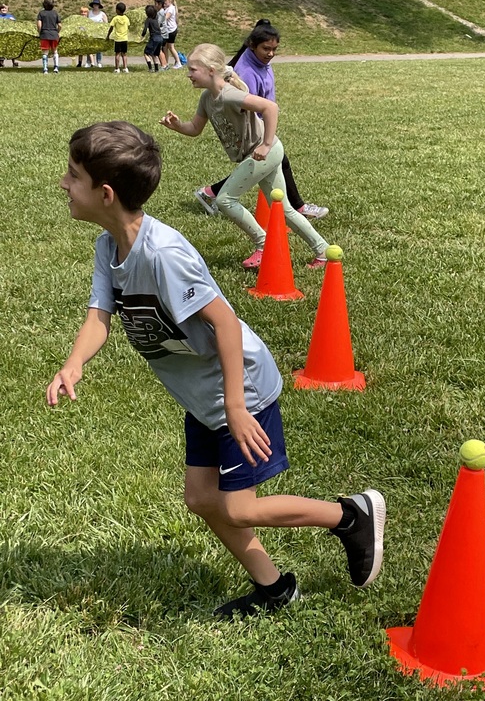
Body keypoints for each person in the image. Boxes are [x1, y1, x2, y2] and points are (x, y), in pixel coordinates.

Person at [46, 120, 386, 620]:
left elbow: (226, 326)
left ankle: (349, 515)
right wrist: (73, 363)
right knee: (203, 499)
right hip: (204, 397)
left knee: (239, 507)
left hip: (239, 388)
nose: (63, 184)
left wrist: (234, 406)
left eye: (72, 176)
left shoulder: (164, 255)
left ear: (106, 193)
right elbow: (101, 314)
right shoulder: (108, 248)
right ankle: (274, 590)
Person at [160, 44, 332, 270]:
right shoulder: (207, 98)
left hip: (264, 153)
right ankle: (323, 251)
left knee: (224, 200)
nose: (188, 74)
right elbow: (194, 128)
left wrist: (267, 144)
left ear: (211, 70)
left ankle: (263, 246)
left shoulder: (230, 95)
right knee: (284, 210)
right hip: (260, 155)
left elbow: (270, 107)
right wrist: (177, 126)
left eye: (193, 69)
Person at [195, 20, 329, 221]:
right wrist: (266, 139)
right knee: (274, 162)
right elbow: (250, 109)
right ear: (252, 45)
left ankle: (210, 192)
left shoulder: (262, 62)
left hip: (263, 126)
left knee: (262, 169)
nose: (271, 54)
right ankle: (298, 208)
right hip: (255, 132)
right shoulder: (247, 72)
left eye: (274, 49)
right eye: (266, 49)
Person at [37, 0, 61, 74]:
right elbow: (60, 25)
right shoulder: (55, 13)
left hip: (44, 34)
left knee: (45, 52)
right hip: (54, 34)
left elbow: (39, 25)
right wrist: (57, 31)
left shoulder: (41, 13)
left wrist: (40, 32)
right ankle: (56, 68)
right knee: (55, 51)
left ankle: (45, 69)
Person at [106, 2, 130, 73]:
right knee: (124, 54)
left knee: (117, 54)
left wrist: (108, 35)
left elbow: (111, 27)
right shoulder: (126, 18)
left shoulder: (115, 18)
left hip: (118, 39)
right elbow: (128, 26)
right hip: (124, 38)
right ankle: (125, 68)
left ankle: (117, 68)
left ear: (118, 10)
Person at [141, 4, 163, 73]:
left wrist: (142, 36)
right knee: (155, 54)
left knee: (146, 53)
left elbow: (145, 30)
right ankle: (156, 69)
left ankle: (150, 68)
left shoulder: (148, 20)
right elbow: (161, 25)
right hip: (160, 38)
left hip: (154, 38)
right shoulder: (156, 19)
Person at [163, 0, 182, 69]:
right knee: (165, 47)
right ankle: (165, 63)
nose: (164, 3)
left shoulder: (171, 9)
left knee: (171, 47)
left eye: (165, 1)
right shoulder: (168, 8)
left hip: (171, 30)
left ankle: (178, 63)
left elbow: (165, 18)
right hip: (168, 30)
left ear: (170, 1)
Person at [88, 0, 108, 67]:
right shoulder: (89, 13)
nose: (95, 6)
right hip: (90, 32)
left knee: (98, 48)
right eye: (94, 4)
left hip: (99, 33)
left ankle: (99, 62)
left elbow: (106, 24)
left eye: (97, 5)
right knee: (89, 47)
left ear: (99, 6)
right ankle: (89, 62)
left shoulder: (102, 14)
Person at [0, 2, 18, 68]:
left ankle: (14, 62)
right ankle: (1, 63)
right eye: (2, 8)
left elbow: (16, 25)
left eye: (5, 8)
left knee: (11, 49)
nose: (4, 9)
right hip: (1, 36)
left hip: (10, 36)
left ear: (7, 10)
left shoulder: (10, 16)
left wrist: (13, 21)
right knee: (1, 49)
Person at [154, 0, 168, 69]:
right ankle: (165, 64)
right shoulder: (160, 12)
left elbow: (158, 24)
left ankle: (164, 65)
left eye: (156, 4)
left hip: (162, 35)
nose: (155, 5)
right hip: (163, 34)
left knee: (159, 50)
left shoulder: (161, 13)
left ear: (159, 4)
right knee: (160, 50)